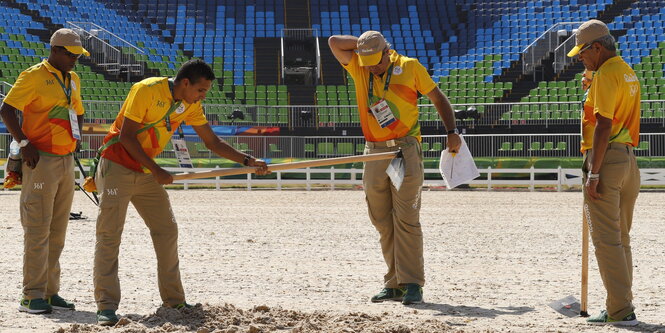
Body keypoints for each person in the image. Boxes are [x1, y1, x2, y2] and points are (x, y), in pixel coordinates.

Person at [92, 59, 269, 325]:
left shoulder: (191, 105)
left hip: (146, 171)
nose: (203, 96)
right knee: (110, 234)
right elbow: (127, 137)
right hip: (117, 165)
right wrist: (158, 170)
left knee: (167, 230)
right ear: (185, 83)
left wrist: (247, 161)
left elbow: (212, 141)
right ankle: (106, 306)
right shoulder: (146, 89)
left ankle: (174, 301)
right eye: (201, 90)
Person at [328, 31, 461, 305]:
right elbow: (333, 42)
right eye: (369, 63)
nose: (372, 68)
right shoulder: (360, 65)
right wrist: (363, 46)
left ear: (388, 52)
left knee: (406, 218)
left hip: (403, 149)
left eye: (377, 62)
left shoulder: (410, 66)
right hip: (373, 152)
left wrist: (451, 131)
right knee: (381, 220)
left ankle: (412, 283)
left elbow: (438, 98)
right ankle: (393, 283)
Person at [0, 28, 88, 314]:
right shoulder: (33, 75)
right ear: (57, 51)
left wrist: (76, 139)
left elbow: (78, 112)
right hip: (40, 161)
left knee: (58, 231)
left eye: (79, 55)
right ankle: (31, 296)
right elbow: (6, 109)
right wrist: (24, 143)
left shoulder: (73, 78)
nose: (77, 60)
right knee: (38, 229)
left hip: (65, 160)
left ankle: (50, 292)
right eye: (73, 55)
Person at [567, 19, 641, 326]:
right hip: (627, 161)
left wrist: (593, 174)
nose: (580, 58)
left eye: (583, 53)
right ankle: (621, 304)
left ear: (597, 47)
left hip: (606, 160)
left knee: (607, 241)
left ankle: (620, 312)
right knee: (621, 239)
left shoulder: (606, 75)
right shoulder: (625, 70)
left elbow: (603, 125)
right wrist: (590, 78)